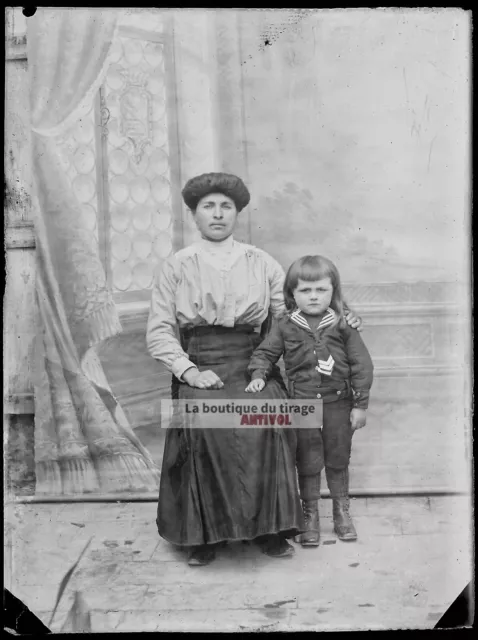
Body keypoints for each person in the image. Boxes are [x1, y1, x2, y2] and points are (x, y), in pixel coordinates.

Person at [146, 174, 362, 566]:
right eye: (208, 206)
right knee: (206, 423)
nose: (217, 214)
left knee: (270, 415)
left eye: (225, 206)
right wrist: (189, 372)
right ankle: (203, 536)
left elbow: (294, 314)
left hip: (253, 361)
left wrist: (339, 317)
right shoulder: (176, 265)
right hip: (202, 364)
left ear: (237, 213)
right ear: (194, 215)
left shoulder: (260, 262)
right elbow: (159, 331)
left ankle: (271, 529)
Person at [246, 255, 373, 547]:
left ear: (333, 291)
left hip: (338, 405)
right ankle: (310, 516)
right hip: (302, 406)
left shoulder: (343, 324)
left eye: (321, 290)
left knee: (338, 458)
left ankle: (342, 513)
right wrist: (258, 374)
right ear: (292, 294)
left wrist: (360, 404)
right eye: (305, 290)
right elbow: (265, 354)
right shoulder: (286, 325)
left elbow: (362, 365)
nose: (313, 296)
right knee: (307, 460)